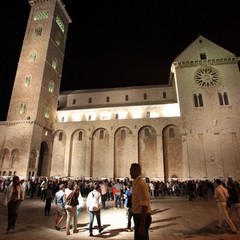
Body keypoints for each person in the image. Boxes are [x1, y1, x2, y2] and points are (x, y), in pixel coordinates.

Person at [130, 163, 152, 240]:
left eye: (132, 170)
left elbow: (145, 205)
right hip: (138, 217)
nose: (130, 172)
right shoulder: (136, 182)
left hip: (142, 218)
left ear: (137, 171)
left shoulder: (140, 184)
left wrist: (142, 225)